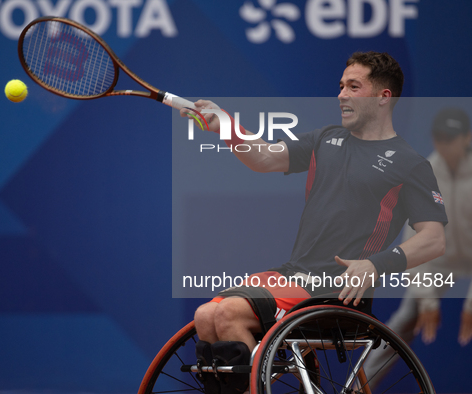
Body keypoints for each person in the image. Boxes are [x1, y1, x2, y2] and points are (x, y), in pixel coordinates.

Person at [181, 51, 448, 394]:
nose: (341, 94)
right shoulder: (325, 139)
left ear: (384, 97)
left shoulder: (410, 164)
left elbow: (433, 239)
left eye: (354, 86)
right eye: (340, 86)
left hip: (337, 289)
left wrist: (375, 265)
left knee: (228, 314)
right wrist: (226, 125)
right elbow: (263, 158)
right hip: (293, 276)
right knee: (206, 316)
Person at [362, 107, 472, 388]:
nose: (445, 144)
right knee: (405, 318)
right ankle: (359, 387)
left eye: (452, 137)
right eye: (440, 137)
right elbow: (417, 242)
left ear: (467, 138)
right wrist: (427, 298)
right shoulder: (424, 172)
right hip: (438, 263)